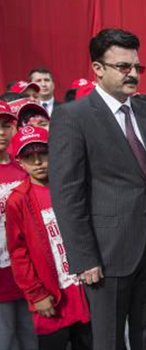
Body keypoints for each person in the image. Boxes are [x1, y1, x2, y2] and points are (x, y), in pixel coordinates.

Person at [48, 28, 146, 350]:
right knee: (108, 338)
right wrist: (83, 258)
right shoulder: (73, 117)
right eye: (124, 67)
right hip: (106, 253)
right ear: (97, 69)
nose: (133, 74)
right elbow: (68, 194)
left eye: (138, 67)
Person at [5, 126, 91, 350]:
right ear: (20, 162)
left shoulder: (71, 187)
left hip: (85, 290)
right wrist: (37, 295)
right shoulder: (18, 200)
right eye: (29, 157)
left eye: (43, 154)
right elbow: (18, 253)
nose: (38, 162)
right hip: (52, 295)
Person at [0, 101, 36, 350]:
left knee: (31, 334)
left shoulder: (23, 167)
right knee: (5, 336)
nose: (1, 132)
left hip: (27, 268)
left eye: (6, 125)